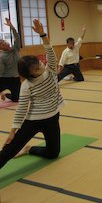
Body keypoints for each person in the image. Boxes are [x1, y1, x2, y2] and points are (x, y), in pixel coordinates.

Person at [0, 19, 64, 169]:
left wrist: (42, 34)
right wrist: (13, 131)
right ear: (28, 74)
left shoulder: (51, 70)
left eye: (39, 64)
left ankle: (29, 149)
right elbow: (22, 108)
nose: (40, 67)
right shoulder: (26, 86)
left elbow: (50, 52)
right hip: (33, 120)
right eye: (35, 69)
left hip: (52, 117)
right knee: (8, 151)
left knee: (53, 153)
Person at [0, 18, 21, 102]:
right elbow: (0, 72)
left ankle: (6, 94)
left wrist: (12, 27)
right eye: (2, 44)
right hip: (4, 78)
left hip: (15, 79)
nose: (5, 43)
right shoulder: (1, 57)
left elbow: (17, 37)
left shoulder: (15, 49)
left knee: (16, 99)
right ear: (0, 48)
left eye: (4, 42)